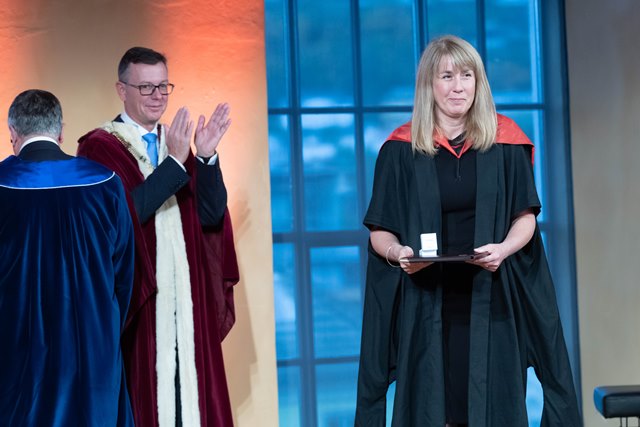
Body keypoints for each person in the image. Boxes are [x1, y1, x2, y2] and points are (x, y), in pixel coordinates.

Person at [355, 35, 581, 426]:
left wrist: (505, 249)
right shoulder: (400, 150)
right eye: (446, 76)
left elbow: (525, 216)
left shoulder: (505, 141)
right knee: (432, 406)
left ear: (478, 83)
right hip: (426, 303)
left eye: (466, 75)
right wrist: (398, 254)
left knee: (493, 406)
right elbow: (380, 231)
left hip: (491, 301)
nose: (458, 86)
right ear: (429, 84)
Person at [77, 47, 239, 427]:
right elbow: (121, 217)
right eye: (146, 87)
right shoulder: (99, 148)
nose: (157, 96)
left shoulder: (177, 139)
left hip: (189, 299)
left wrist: (205, 157)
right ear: (122, 89)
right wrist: (174, 163)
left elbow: (211, 216)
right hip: (142, 304)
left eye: (163, 86)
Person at [0, 89, 134, 426]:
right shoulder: (105, 183)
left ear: (12, 133)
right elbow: (125, 274)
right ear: (60, 131)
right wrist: (103, 326)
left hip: (18, 353)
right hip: (92, 348)